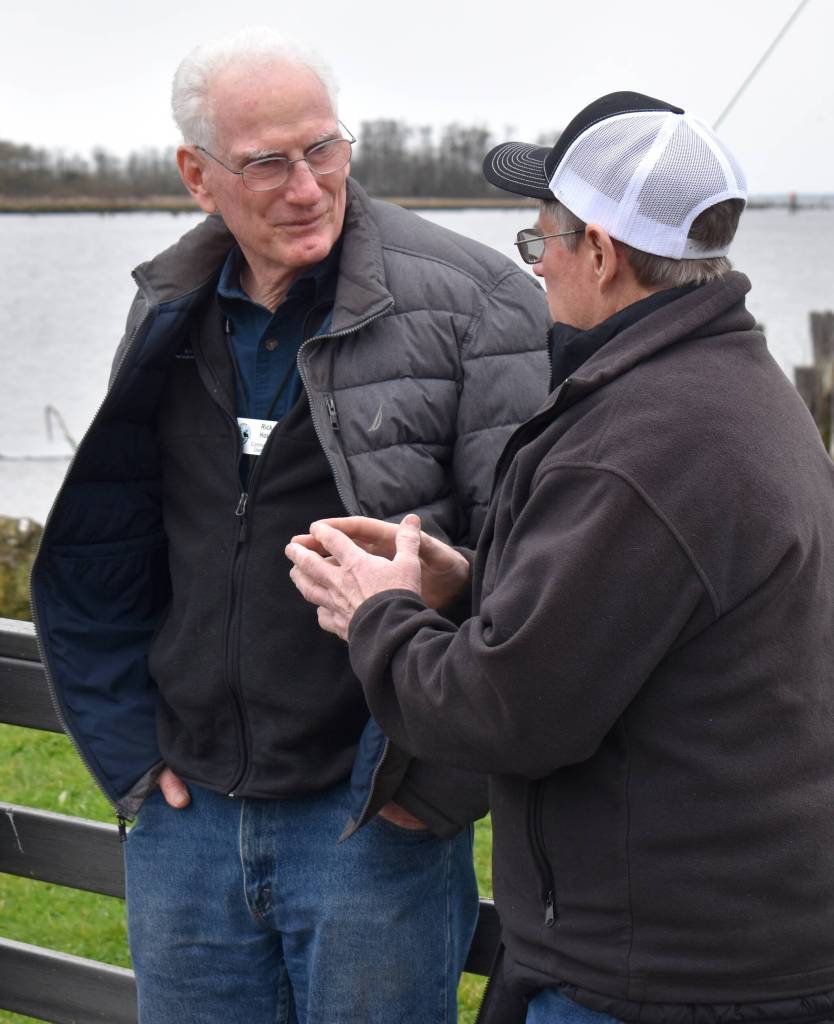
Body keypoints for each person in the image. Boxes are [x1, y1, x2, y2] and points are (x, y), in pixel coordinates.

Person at [28, 27, 551, 1024]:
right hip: (185, 821)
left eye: (326, 148)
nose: (308, 184)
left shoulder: (480, 304)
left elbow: (533, 576)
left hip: (371, 823)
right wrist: (135, 762)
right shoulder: (166, 305)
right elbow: (116, 548)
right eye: (269, 161)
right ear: (199, 174)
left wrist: (429, 796)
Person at [286, 91, 834, 1024]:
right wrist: (470, 582)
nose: (536, 271)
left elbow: (507, 712)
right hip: (732, 949)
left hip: (663, 979)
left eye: (540, 244)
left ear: (603, 254)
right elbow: (630, 621)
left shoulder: (641, 443)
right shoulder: (737, 384)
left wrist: (378, 612)